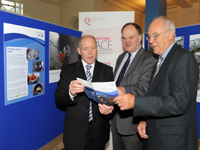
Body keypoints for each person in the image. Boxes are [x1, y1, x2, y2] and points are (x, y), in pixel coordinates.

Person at [113, 16, 199, 150]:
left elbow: (178, 103)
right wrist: (144, 120)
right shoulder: (160, 60)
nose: (151, 41)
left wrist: (136, 102)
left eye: (155, 36)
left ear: (170, 34)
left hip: (174, 142)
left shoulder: (183, 58)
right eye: (149, 37)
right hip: (157, 137)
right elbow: (156, 95)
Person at [54, 35, 114, 150]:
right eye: (86, 49)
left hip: (99, 132)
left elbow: (111, 102)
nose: (90, 52)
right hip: (75, 133)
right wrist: (70, 92)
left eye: (93, 48)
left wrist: (109, 110)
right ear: (79, 51)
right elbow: (58, 98)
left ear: (97, 49)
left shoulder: (107, 71)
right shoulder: (68, 70)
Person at [111, 22, 157, 150]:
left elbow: (144, 87)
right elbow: (116, 83)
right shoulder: (120, 58)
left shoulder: (149, 58)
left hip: (133, 124)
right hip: (115, 121)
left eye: (131, 37)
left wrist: (122, 90)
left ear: (140, 37)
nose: (127, 41)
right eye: (124, 38)